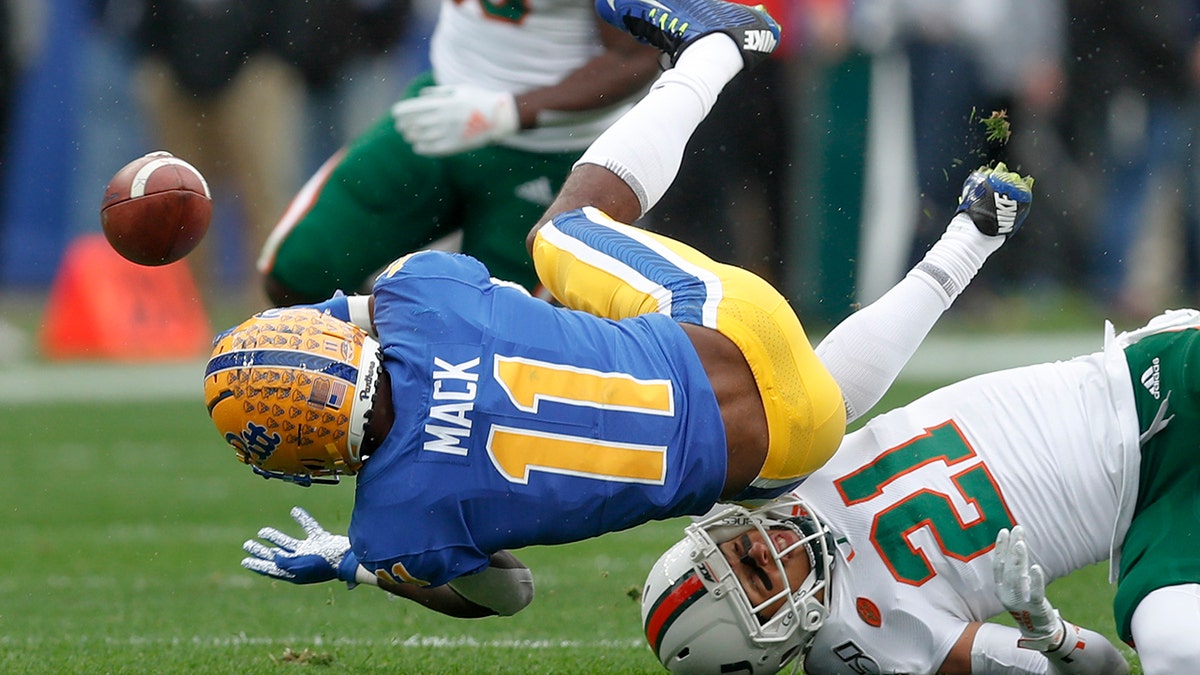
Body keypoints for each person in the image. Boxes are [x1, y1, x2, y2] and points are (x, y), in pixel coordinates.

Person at [209, 0, 1031, 624]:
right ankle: (709, 53)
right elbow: (379, 306)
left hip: (769, 456)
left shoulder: (401, 526)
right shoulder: (419, 300)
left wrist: (364, 560)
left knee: (817, 405)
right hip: (727, 323)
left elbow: (508, 592)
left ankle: (969, 236)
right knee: (560, 236)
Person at [639, 309, 1200, 675]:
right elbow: (1107, 672)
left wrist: (962, 246)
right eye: (757, 578)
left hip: (1144, 388)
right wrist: (1043, 627)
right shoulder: (865, 643)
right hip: (1156, 524)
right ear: (776, 636)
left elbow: (839, 370)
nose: (762, 549)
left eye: (737, 549)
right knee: (1177, 654)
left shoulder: (773, 475)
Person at [255, 0, 664, 305]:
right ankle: (380, 372)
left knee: (493, 348)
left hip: (550, 157)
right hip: (440, 115)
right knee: (298, 272)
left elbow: (638, 57)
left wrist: (509, 110)